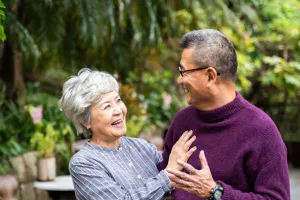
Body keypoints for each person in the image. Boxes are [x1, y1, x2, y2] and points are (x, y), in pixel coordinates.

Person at [158, 29, 290, 200]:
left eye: (184, 72)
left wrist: (215, 192)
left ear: (210, 76)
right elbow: (162, 180)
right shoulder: (182, 121)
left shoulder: (262, 131)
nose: (179, 80)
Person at [59, 68, 197, 200]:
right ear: (85, 121)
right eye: (107, 106)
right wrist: (168, 176)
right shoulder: (83, 164)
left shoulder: (142, 147)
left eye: (118, 100)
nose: (118, 110)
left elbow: (179, 181)